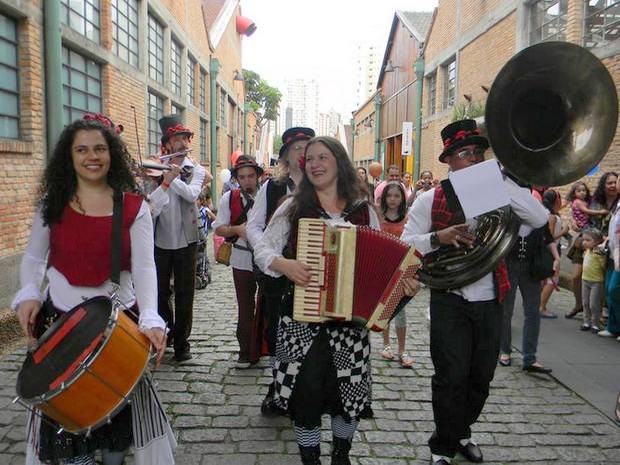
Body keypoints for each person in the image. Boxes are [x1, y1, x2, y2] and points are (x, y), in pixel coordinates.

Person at [12, 117, 174, 465]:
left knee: (114, 433)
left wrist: (150, 315)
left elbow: (146, 268)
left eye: (99, 148)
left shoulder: (135, 207)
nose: (92, 156)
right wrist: (28, 292)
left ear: (111, 154)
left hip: (117, 327)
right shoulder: (51, 204)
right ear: (69, 157)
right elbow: (34, 258)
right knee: (68, 430)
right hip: (62, 326)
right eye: (81, 149)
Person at [254, 136, 417, 465]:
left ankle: (341, 455)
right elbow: (262, 250)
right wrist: (284, 264)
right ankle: (310, 459)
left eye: (322, 157)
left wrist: (403, 286)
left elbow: (386, 264)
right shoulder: (293, 208)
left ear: (339, 162)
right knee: (305, 398)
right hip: (300, 324)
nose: (314, 164)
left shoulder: (364, 212)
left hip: (349, 326)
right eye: (309, 159)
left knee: (349, 396)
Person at [400, 119, 551, 465]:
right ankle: (442, 446)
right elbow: (404, 244)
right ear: (448, 160)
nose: (473, 159)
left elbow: (538, 219)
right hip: (449, 298)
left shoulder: (496, 191)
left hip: (490, 299)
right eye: (465, 154)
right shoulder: (428, 199)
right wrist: (440, 237)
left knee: (481, 377)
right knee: (450, 376)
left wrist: (501, 181)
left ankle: (462, 431)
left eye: (478, 154)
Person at [246, 126, 315, 415]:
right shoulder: (273, 187)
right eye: (296, 148)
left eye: (306, 148)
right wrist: (269, 255)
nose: (302, 153)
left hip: (312, 274)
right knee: (276, 332)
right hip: (278, 274)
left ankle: (303, 388)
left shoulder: (322, 185)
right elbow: (252, 225)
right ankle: (277, 387)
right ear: (286, 155)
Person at [150, 114, 206, 362]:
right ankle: (167, 333)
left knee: (185, 294)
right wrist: (161, 177)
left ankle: (183, 344)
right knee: (161, 293)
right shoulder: (156, 169)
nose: (182, 143)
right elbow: (151, 207)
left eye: (185, 138)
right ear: (168, 144)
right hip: (160, 240)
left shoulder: (198, 170)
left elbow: (192, 195)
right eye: (177, 138)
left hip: (187, 241)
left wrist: (169, 179)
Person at [213, 155, 263, 368]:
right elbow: (219, 228)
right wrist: (237, 230)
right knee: (245, 306)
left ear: (258, 176)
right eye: (242, 177)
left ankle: (264, 349)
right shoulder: (228, 199)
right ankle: (245, 352)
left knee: (267, 306)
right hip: (241, 258)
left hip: (266, 259)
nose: (247, 181)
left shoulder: (268, 195)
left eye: (251, 176)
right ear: (236, 178)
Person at [378, 182, 413, 368]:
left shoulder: (407, 219)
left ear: (402, 198)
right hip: (384, 268)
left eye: (396, 196)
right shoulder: (379, 217)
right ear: (384, 198)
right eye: (389, 195)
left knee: (400, 310)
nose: (393, 199)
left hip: (402, 269)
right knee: (385, 308)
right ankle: (386, 344)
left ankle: (402, 348)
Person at [565, 181, 608, 319]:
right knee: (576, 276)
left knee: (599, 279)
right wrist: (572, 222)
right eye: (609, 183)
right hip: (583, 239)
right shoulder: (591, 201)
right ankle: (579, 305)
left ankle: (597, 313)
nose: (612, 186)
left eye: (615, 182)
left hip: (599, 243)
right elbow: (576, 213)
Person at [539, 189, 568, 318]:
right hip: (551, 251)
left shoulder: (547, 213)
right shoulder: (552, 216)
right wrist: (564, 231)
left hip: (551, 250)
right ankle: (541, 307)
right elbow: (549, 237)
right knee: (552, 279)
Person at [579, 228, 606, 333]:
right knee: (585, 302)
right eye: (584, 240)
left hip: (596, 281)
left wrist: (601, 255)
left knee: (594, 304)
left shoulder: (599, 253)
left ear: (597, 242)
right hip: (585, 279)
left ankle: (595, 323)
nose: (584, 242)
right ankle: (586, 322)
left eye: (588, 240)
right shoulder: (587, 251)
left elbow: (603, 266)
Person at [196, 190, 216, 288]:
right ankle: (202, 270)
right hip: (195, 236)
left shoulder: (204, 210)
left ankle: (203, 272)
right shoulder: (192, 210)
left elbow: (214, 218)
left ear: (201, 201)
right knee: (198, 256)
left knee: (203, 255)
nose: (195, 202)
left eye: (197, 200)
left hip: (203, 235)